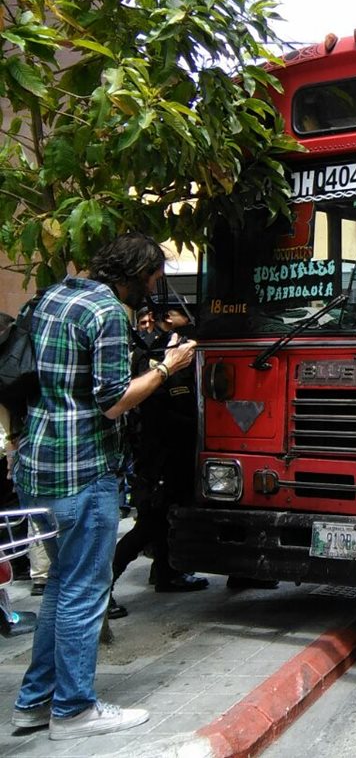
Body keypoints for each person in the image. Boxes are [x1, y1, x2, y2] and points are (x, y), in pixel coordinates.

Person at [10, 233, 197, 740]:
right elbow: (114, 401)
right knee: (84, 591)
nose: (154, 290)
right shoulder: (107, 312)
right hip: (82, 469)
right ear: (136, 272)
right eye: (155, 279)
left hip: (36, 465)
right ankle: (73, 710)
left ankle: (34, 703)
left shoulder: (53, 294)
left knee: (60, 589)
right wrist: (167, 366)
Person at [109, 298, 207, 613]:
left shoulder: (166, 348)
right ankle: (104, 589)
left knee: (166, 516)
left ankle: (167, 573)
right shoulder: (158, 354)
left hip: (169, 452)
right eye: (184, 313)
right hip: (160, 453)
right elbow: (163, 409)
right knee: (149, 524)